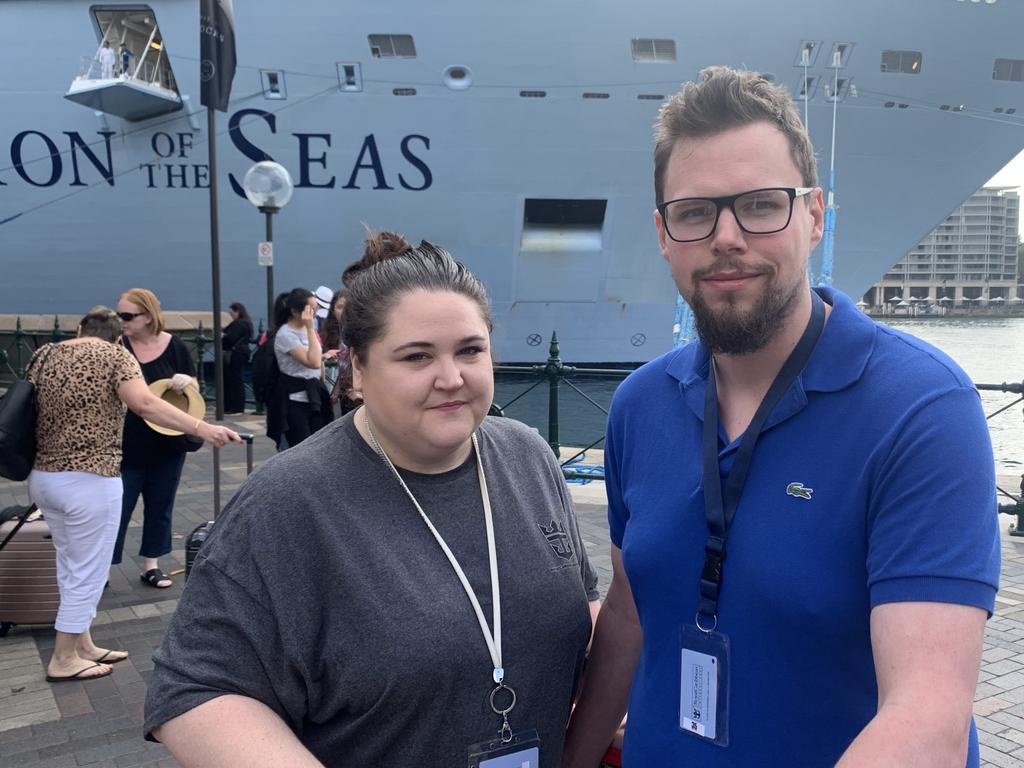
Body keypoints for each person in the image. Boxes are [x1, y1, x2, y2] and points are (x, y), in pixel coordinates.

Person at [563, 67, 1000, 767]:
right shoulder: (638, 407)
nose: (727, 236)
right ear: (663, 231)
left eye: (762, 205)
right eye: (695, 211)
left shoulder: (920, 409)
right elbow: (629, 609)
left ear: (815, 215)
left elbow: (927, 720)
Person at [144, 233, 601, 767]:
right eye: (417, 356)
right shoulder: (289, 501)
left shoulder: (528, 459)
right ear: (357, 369)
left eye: (470, 350)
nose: (451, 378)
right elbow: (196, 690)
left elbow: (581, 603)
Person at [26, 307, 239, 683]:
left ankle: (82, 645)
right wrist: (202, 428)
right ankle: (63, 658)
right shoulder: (116, 355)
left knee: (70, 563)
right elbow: (145, 404)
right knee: (89, 569)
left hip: (45, 477)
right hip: (90, 478)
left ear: (79, 329)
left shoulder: (46, 353)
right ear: (116, 337)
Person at [111, 288, 201, 589]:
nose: (120, 321)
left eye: (126, 315)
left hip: (167, 442)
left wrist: (187, 381)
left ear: (148, 317)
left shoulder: (174, 346)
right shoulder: (118, 346)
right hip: (126, 443)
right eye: (118, 314)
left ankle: (152, 564)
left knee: (160, 504)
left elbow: (195, 386)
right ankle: (104, 569)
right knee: (117, 508)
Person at [267, 288, 332, 449]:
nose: (314, 313)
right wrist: (310, 329)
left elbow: (317, 358)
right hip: (295, 399)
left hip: (315, 394)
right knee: (302, 447)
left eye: (315, 308)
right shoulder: (286, 334)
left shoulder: (310, 326)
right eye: (310, 309)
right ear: (295, 312)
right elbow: (313, 362)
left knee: (321, 445)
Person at [222, 302, 253, 414]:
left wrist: (223, 337)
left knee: (233, 380)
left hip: (235, 354)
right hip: (242, 353)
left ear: (237, 311)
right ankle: (237, 406)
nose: (231, 315)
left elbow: (230, 338)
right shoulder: (246, 323)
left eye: (231, 312)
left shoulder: (238, 324)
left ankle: (234, 406)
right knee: (237, 379)